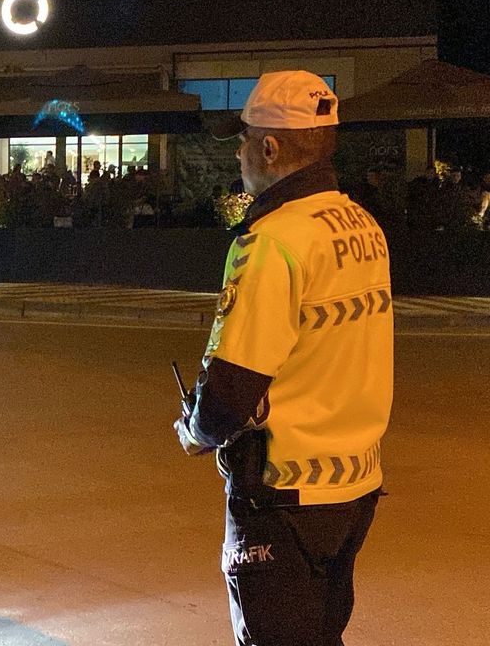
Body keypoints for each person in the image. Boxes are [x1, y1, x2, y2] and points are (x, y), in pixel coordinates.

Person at [173, 71, 393, 646]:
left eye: (244, 140)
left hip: (284, 494)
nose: (239, 154)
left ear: (269, 149)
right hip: (354, 487)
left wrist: (196, 431)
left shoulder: (272, 241)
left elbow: (230, 389)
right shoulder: (361, 225)